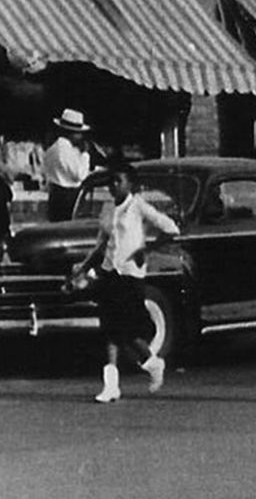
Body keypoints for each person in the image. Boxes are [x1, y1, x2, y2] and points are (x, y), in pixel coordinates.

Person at [71, 162, 179, 402]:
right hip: (110, 273)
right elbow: (101, 245)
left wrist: (146, 249)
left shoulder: (138, 206)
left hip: (131, 275)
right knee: (109, 330)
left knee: (129, 332)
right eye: (111, 181)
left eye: (118, 181)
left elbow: (171, 228)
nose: (114, 186)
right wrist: (84, 269)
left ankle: (152, 363)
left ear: (131, 184)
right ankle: (111, 386)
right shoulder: (108, 208)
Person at [43, 109, 92, 222]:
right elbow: (80, 175)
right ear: (71, 133)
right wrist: (85, 154)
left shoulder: (54, 148)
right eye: (78, 133)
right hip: (67, 197)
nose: (81, 136)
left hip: (56, 194)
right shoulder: (64, 149)